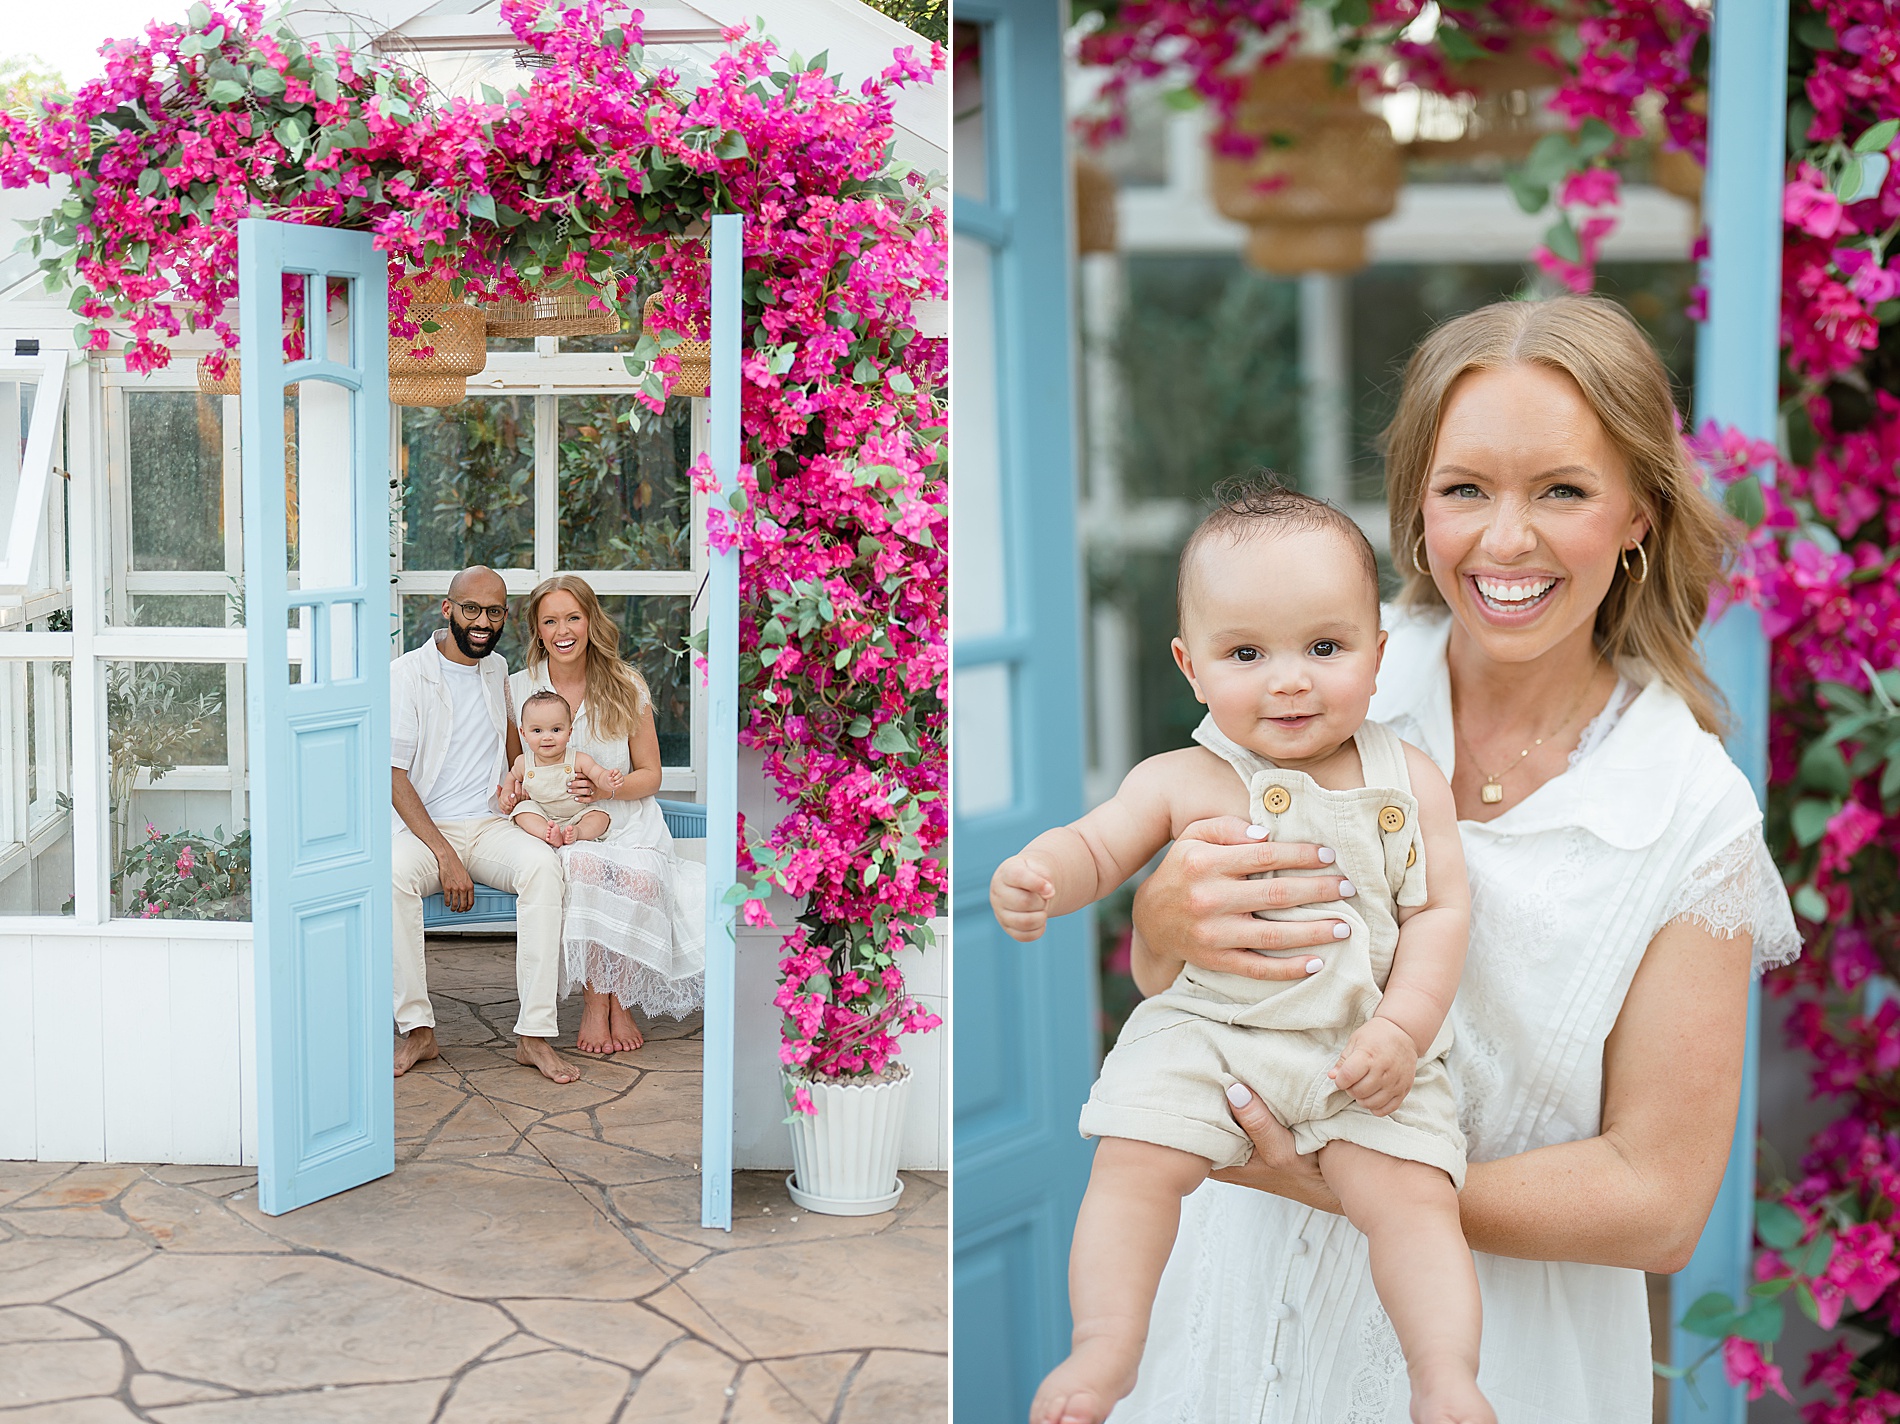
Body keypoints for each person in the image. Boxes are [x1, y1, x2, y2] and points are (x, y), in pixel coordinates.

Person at [1107, 296, 1800, 1423]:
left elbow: (1657, 1198)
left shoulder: (1689, 810)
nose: (1503, 539)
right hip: (1221, 1330)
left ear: (1637, 512)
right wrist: (1161, 927)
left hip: (1497, 1371)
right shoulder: (1317, 678)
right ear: (1417, 507)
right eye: (1464, 487)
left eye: (1561, 490)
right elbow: (1186, 977)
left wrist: (1349, 1181)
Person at [997, 482, 1487, 1424]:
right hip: (1215, 1035)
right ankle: (1105, 1345)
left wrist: (1403, 1026)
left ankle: (1444, 1375)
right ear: (1191, 666)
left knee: (1416, 1201)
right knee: (1132, 1161)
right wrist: (1040, 874)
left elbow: (1439, 914)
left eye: (1326, 647)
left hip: (1360, 1044)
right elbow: (1098, 847)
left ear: (1379, 656)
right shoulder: (1182, 779)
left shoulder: (1408, 779)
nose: (1290, 679)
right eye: (1248, 653)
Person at [390, 566, 577, 1085]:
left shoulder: (497, 671)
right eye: (471, 609)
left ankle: (534, 1035)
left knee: (543, 868)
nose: (482, 621)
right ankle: (418, 1028)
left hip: (492, 825)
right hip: (428, 831)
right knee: (390, 876)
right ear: (447, 609)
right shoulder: (406, 675)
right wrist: (446, 857)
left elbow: (513, 750)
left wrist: (529, 791)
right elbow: (393, 778)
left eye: (494, 611)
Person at [508, 575, 706, 1055]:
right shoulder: (519, 689)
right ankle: (604, 1004)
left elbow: (651, 775)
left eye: (573, 617)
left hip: (627, 817)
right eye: (550, 620)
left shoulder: (625, 684)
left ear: (591, 621)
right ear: (536, 630)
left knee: (636, 877)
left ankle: (610, 1001)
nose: (563, 630)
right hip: (561, 825)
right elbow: (520, 771)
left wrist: (604, 786)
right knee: (584, 866)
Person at [509, 689, 625, 847]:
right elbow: (511, 777)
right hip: (540, 813)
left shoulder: (578, 759)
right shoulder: (523, 762)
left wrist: (607, 779)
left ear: (569, 732)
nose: (547, 737)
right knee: (522, 811)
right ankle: (546, 833)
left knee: (600, 817)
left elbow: (597, 775)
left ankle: (578, 832)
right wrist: (507, 795)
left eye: (556, 730)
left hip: (576, 814)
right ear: (523, 733)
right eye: (537, 730)